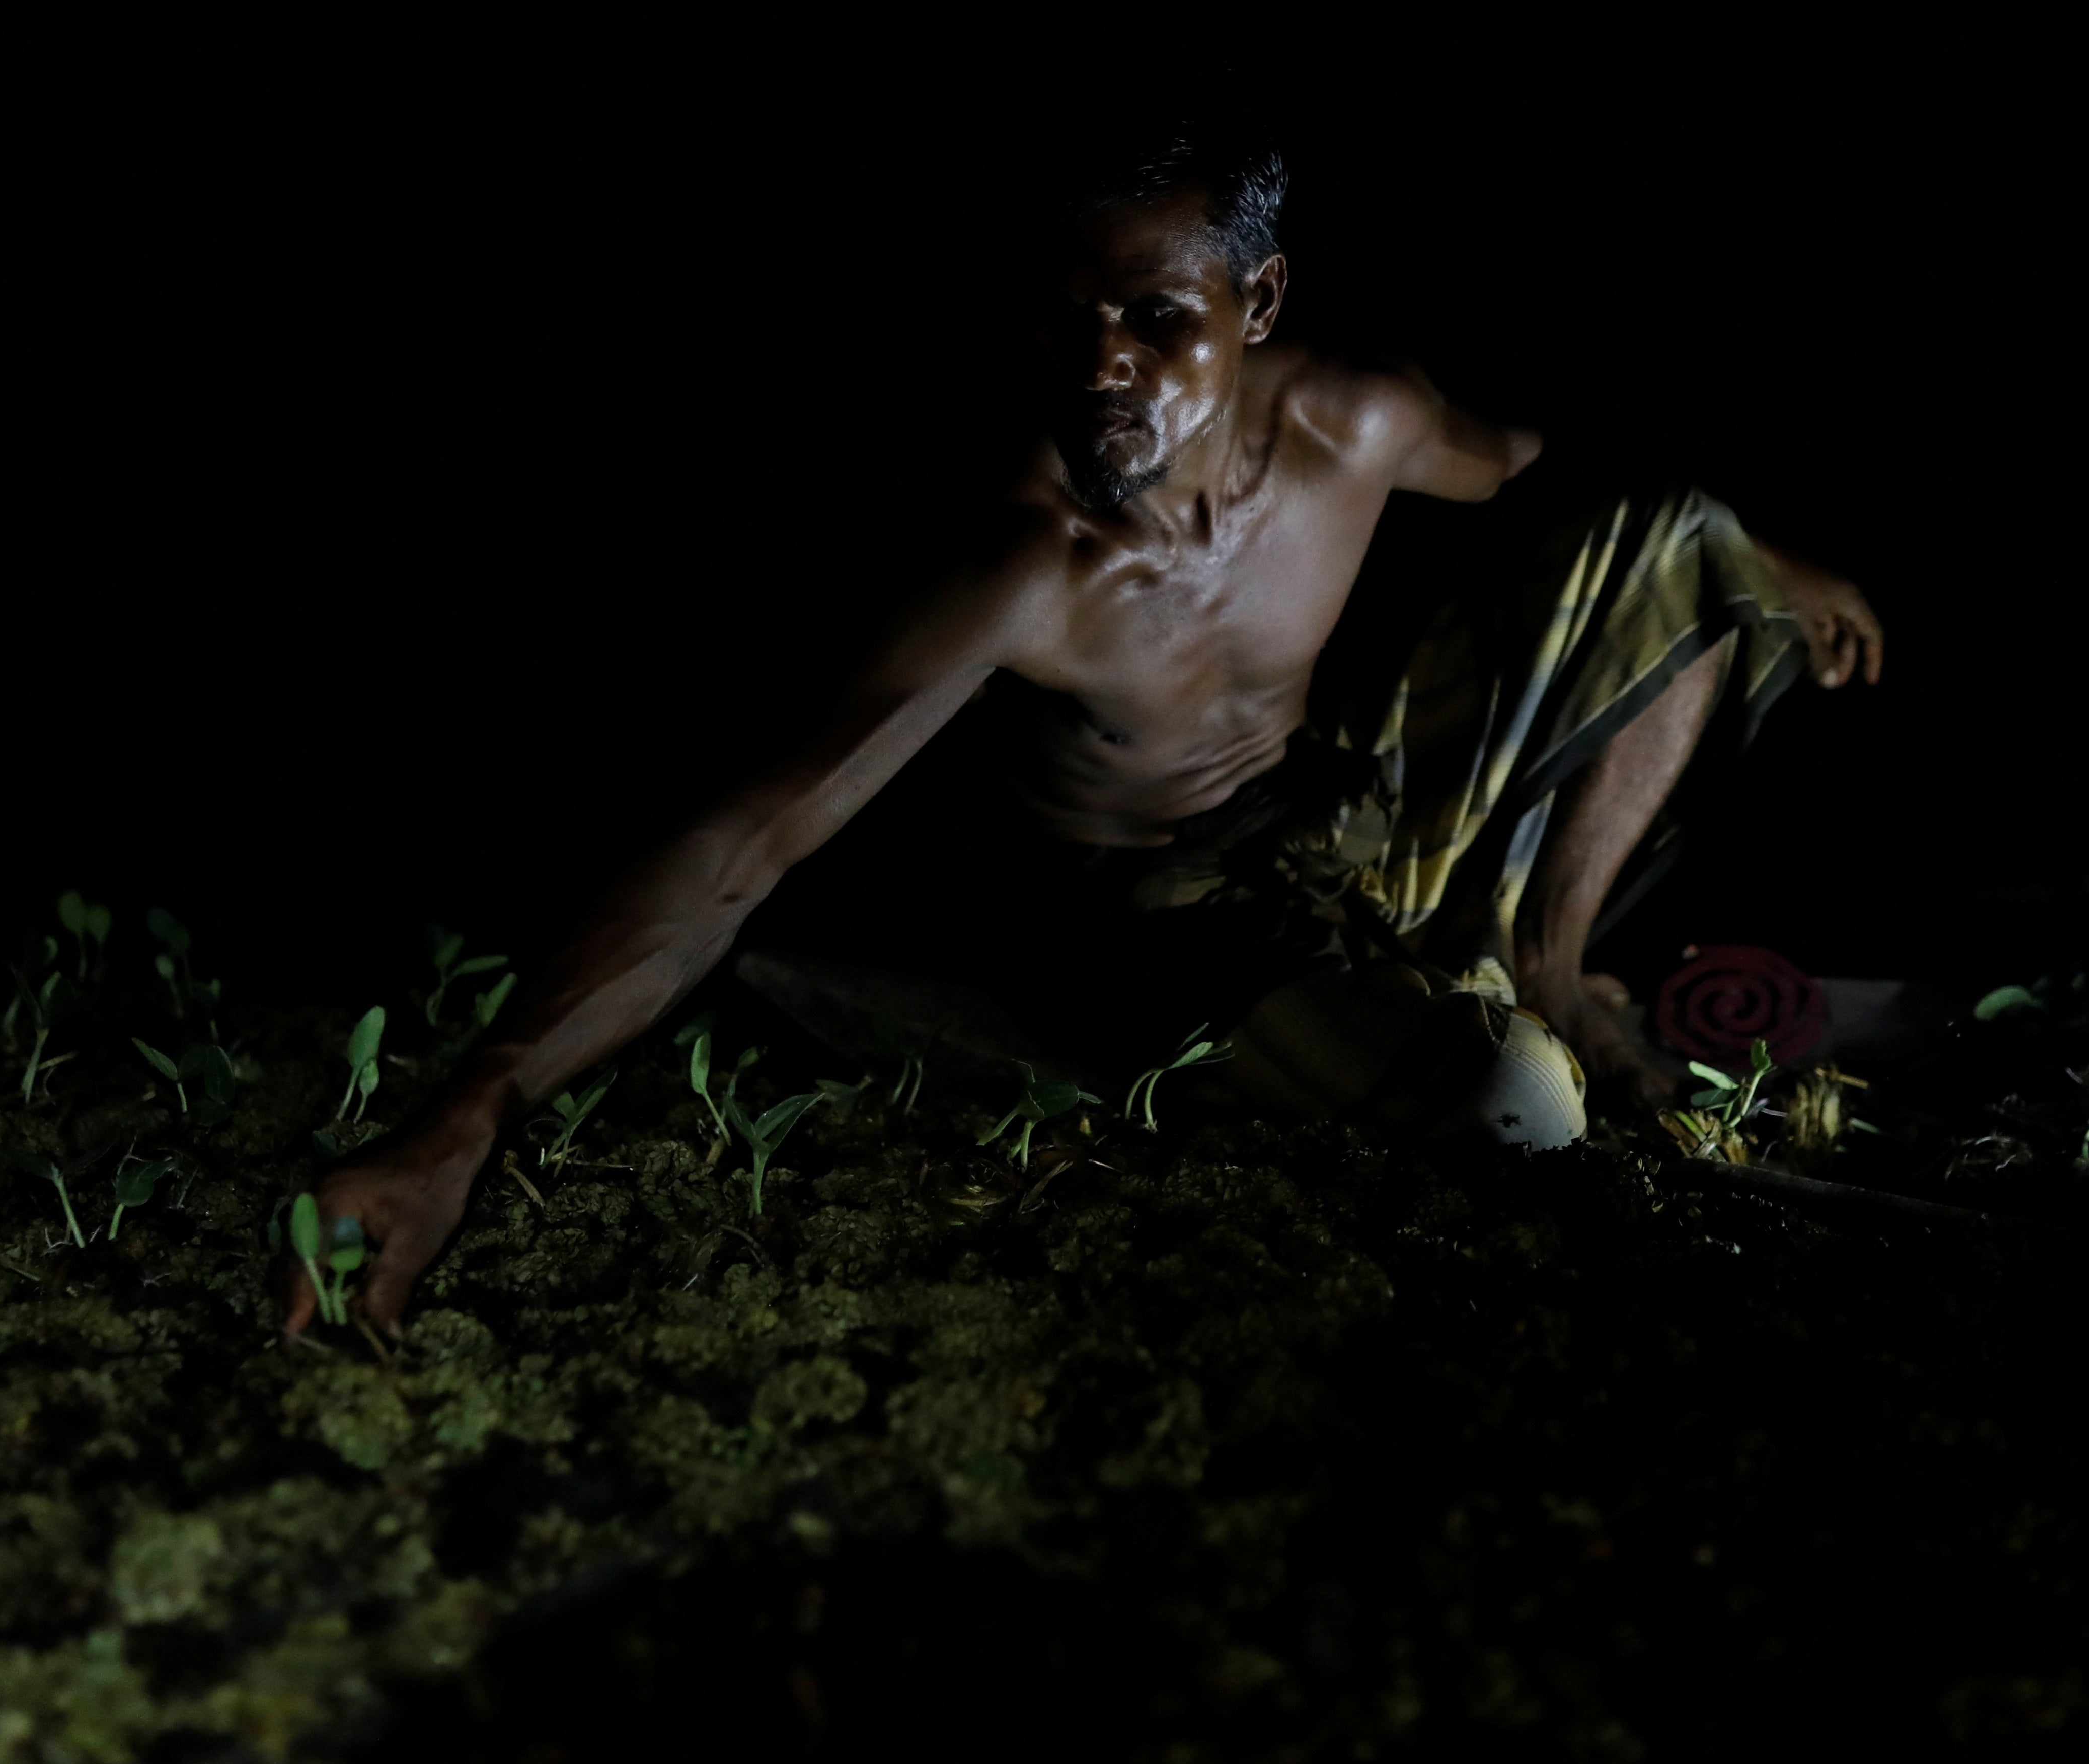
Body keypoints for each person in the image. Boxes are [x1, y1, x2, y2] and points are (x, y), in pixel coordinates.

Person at [285, 128, 1883, 1336]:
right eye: (1068, 322)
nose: (1107, 366)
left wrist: (1748, 558)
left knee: (1689, 532)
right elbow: (742, 848)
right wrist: (465, 1112)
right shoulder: (1029, 569)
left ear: (1257, 302)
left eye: (1156, 314)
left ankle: (1549, 950)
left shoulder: (1355, 423)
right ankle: (1452, 1016)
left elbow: (1580, 500)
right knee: (1514, 1118)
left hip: (1345, 812)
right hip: (1172, 923)